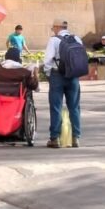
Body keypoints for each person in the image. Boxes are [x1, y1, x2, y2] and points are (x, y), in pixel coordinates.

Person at [43, 18, 82, 148]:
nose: (53, 30)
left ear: (57, 27)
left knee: (56, 107)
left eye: (53, 28)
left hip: (57, 75)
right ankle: (75, 138)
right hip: (73, 76)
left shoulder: (54, 40)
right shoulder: (76, 39)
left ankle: (55, 138)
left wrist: (48, 74)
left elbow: (48, 60)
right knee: (74, 107)